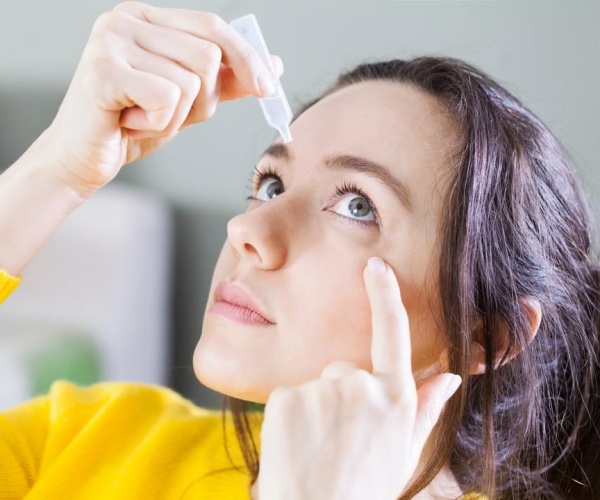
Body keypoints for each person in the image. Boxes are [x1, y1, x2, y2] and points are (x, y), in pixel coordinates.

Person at [0, 2, 598, 499]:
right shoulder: (90, 435)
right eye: (271, 185)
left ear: (484, 335)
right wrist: (56, 169)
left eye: (358, 205)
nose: (248, 232)